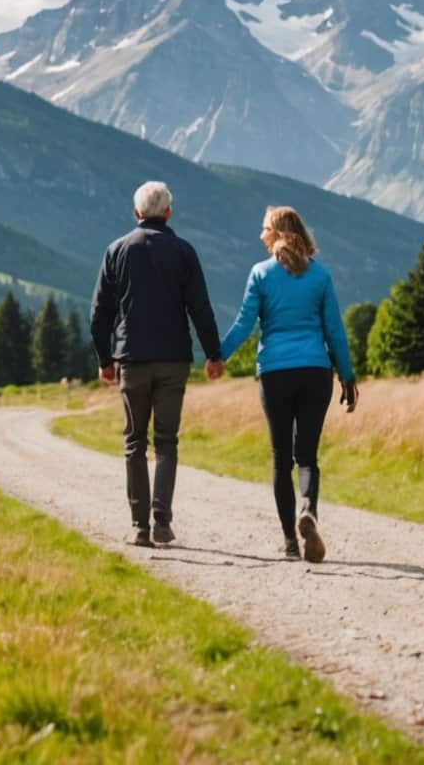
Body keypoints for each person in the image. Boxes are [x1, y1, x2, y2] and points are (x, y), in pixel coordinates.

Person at [217, 206, 356, 563]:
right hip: (315, 371)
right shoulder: (320, 276)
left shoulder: (261, 274)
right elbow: (334, 330)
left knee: (282, 458)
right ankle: (308, 508)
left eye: (265, 229)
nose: (260, 235)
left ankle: (291, 543)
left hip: (276, 372)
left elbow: (245, 324)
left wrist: (219, 356)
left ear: (278, 232)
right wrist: (347, 375)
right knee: (307, 454)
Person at [92, 180, 224, 548]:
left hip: (131, 359)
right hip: (173, 360)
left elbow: (99, 313)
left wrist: (105, 359)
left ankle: (139, 527)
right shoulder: (184, 252)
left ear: (136, 213)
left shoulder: (116, 250)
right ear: (168, 212)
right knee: (166, 442)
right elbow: (200, 307)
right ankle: (162, 521)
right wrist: (213, 354)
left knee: (134, 441)